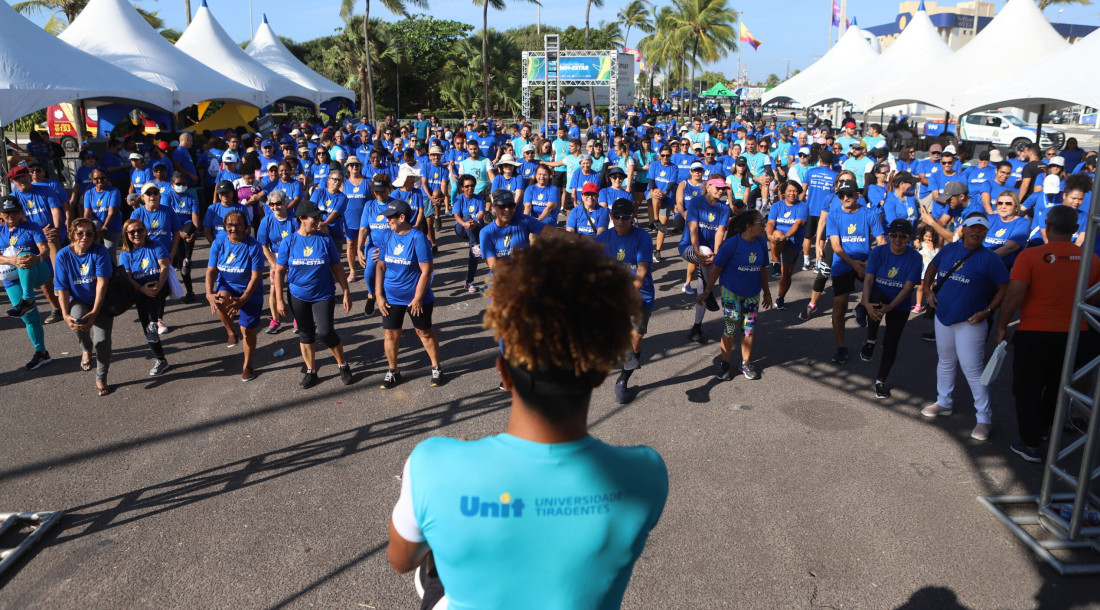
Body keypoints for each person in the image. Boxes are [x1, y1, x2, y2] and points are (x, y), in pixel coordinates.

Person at [386, 233, 668, 610]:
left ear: (503, 373)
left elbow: (402, 561)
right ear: (600, 371)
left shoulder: (432, 463)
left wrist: (464, 464)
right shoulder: (645, 473)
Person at [997, 206, 1100, 462]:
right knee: (1058, 385)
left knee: (1027, 388)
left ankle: (1031, 444)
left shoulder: (1030, 256)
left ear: (1048, 227)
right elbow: (1094, 301)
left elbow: (1013, 295)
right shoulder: (1093, 260)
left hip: (1035, 332)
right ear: (1076, 230)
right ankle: (1042, 429)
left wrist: (1002, 325)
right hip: (1077, 334)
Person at [920, 213, 1009, 442]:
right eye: (973, 228)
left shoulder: (990, 258)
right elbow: (931, 267)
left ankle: (984, 418)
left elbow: (1004, 288)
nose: (977, 232)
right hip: (944, 316)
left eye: (981, 229)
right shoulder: (950, 249)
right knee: (946, 361)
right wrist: (928, 291)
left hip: (971, 321)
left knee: (973, 369)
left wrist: (988, 312)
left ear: (986, 233)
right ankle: (944, 402)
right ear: (964, 229)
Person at [274, 201, 353, 389]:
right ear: (302, 219)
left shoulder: (325, 240)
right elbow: (279, 271)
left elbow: (337, 267)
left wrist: (346, 291)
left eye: (320, 217)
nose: (319, 221)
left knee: (325, 332)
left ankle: (342, 364)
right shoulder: (290, 241)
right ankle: (311, 371)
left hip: (323, 294)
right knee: (306, 334)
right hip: (297, 294)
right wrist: (279, 299)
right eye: (315, 218)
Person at [374, 199, 442, 389]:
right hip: (391, 297)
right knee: (390, 334)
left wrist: (418, 298)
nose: (388, 221)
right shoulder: (387, 236)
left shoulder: (418, 237)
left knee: (424, 332)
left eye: (391, 217)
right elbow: (380, 266)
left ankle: (436, 367)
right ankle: (393, 370)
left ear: (402, 217)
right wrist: (378, 295)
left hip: (417, 298)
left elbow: (426, 270)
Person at [700, 210, 772, 380]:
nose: (764, 226)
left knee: (748, 330)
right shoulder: (731, 244)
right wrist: (707, 291)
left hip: (752, 294)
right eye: (761, 223)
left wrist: (767, 293)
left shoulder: (761, 244)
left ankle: (745, 363)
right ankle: (724, 364)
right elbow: (716, 269)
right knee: (731, 329)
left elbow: (762, 270)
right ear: (749, 226)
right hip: (731, 293)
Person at [595, 198, 654, 404]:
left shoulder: (643, 238)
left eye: (626, 217)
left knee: (636, 342)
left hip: (641, 296)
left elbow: (641, 272)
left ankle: (623, 378)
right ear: (611, 216)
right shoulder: (603, 239)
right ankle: (622, 380)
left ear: (632, 217)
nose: (621, 221)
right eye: (617, 216)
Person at [859, 219, 922, 399]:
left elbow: (908, 287)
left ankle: (880, 381)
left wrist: (890, 308)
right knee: (876, 299)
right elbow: (869, 279)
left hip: (899, 304)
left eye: (903, 236)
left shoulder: (915, 257)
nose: (898, 240)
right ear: (889, 235)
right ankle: (870, 340)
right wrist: (865, 302)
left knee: (891, 343)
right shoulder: (878, 251)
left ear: (910, 238)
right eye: (894, 235)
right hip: (879, 299)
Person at [823, 178, 885, 363]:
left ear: (857, 195)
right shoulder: (834, 214)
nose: (845, 198)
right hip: (843, 264)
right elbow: (835, 246)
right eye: (841, 195)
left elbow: (881, 242)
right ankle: (841, 347)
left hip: (866, 263)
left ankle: (868, 331)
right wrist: (853, 263)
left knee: (877, 299)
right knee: (839, 307)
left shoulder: (869, 213)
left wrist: (871, 262)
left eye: (849, 194)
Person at [55, 217, 115, 396]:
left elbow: (102, 285)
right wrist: (65, 315)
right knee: (77, 322)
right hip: (79, 299)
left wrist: (95, 311)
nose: (85, 237)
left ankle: (101, 376)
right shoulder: (63, 255)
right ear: (72, 234)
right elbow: (62, 288)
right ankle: (86, 349)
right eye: (80, 233)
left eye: (89, 233)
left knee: (102, 342)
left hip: (101, 301)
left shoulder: (100, 251)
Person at [205, 210, 265, 381]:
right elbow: (210, 271)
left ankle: (248, 364)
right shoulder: (219, 242)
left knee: (247, 330)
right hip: (227, 285)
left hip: (250, 291)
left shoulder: (254, 246)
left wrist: (244, 299)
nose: (234, 228)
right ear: (225, 227)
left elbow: (256, 276)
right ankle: (231, 331)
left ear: (246, 226)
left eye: (238, 224)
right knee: (219, 299)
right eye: (230, 225)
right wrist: (209, 293)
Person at [0, 196, 52, 370]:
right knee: (29, 318)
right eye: (6, 213)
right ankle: (42, 353)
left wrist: (36, 257)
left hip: (37, 270)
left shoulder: (32, 227)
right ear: (1, 214)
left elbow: (45, 250)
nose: (11, 216)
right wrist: (10, 260)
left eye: (14, 212)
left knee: (23, 256)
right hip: (11, 278)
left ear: (21, 211)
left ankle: (28, 299)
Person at [118, 218, 172, 376]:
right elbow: (127, 276)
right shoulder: (125, 254)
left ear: (145, 231)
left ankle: (155, 322)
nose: (137, 234)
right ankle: (161, 359)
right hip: (139, 291)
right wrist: (141, 288)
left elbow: (164, 265)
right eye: (132, 231)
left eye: (140, 230)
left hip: (159, 286)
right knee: (147, 330)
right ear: (126, 234)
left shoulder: (156, 245)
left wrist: (159, 285)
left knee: (153, 295)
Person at [680, 176, 729, 343]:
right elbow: (693, 228)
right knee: (704, 252)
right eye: (717, 187)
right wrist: (696, 249)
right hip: (689, 247)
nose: (720, 191)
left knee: (702, 284)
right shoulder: (696, 202)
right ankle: (709, 292)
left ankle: (697, 326)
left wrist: (716, 254)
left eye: (723, 188)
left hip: (707, 255)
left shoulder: (724, 208)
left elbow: (720, 233)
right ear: (708, 186)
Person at [257, 190, 300, 334]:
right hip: (275, 257)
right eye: (272, 204)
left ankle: (297, 319)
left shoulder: (294, 219)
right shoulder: (266, 221)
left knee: (295, 289)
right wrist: (274, 265)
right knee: (274, 289)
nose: (275, 207)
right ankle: (275, 321)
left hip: (294, 256)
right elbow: (263, 245)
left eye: (278, 203)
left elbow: (300, 240)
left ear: (285, 203)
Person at [766, 181, 808, 310]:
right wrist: (769, 235)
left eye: (795, 190)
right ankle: (776, 262)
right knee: (777, 233)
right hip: (777, 239)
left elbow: (798, 223)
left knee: (787, 274)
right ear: (783, 192)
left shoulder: (802, 206)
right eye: (789, 190)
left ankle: (780, 298)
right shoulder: (776, 206)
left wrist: (787, 236)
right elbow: (771, 223)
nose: (792, 193)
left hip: (793, 240)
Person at [451, 174, 487, 293]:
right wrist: (465, 223)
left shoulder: (479, 198)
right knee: (466, 216)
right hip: (462, 228)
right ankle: (475, 245)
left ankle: (468, 282)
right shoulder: (459, 199)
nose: (469, 188)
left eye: (472, 185)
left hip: (475, 227)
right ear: (462, 187)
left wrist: (475, 221)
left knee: (473, 255)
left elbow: (481, 213)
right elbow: (456, 216)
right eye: (466, 186)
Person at [83, 169, 124, 262]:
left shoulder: (114, 191)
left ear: (106, 178)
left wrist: (104, 228)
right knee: (92, 252)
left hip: (112, 225)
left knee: (110, 254)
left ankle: (114, 275)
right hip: (96, 227)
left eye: (102, 178)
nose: (100, 181)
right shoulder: (89, 193)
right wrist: (86, 229)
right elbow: (87, 213)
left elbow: (111, 212)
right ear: (92, 180)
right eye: (96, 178)